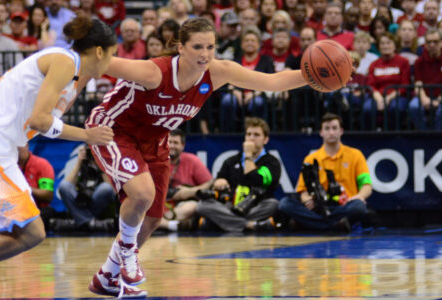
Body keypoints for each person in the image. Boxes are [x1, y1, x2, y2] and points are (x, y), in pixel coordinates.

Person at [84, 17, 308, 297]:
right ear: (180, 47)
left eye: (211, 47)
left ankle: (107, 276)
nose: (205, 54)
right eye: (198, 47)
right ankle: (128, 255)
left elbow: (271, 81)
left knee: (153, 217)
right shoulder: (154, 72)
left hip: (155, 140)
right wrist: (55, 86)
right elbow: (95, 62)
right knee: (141, 194)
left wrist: (312, 77)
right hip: (113, 129)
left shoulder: (216, 73)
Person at [0, 16, 116, 263]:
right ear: (98, 51)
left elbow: (40, 123)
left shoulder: (73, 74)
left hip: (6, 147)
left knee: (31, 233)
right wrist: (87, 135)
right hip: (0, 147)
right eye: (110, 55)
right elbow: (39, 121)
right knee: (32, 233)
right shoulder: (64, 61)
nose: (111, 63)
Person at [279, 113, 372, 232]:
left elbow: (367, 186)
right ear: (321, 132)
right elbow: (302, 191)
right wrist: (306, 199)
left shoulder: (355, 155)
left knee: (359, 207)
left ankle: (311, 224)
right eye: (327, 129)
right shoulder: (311, 158)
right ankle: (334, 225)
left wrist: (360, 196)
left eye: (334, 128)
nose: (331, 132)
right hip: (318, 208)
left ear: (341, 131)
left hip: (344, 206)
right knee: (285, 204)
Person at [196, 117, 281, 232]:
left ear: (265, 139)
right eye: (248, 134)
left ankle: (221, 223)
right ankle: (250, 225)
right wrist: (220, 182)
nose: (251, 138)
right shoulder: (231, 161)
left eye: (256, 135)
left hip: (256, 205)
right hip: (231, 206)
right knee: (202, 205)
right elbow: (220, 180)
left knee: (273, 204)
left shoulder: (272, 162)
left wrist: (248, 156)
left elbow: (255, 180)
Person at [158, 129, 213, 231]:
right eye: (169, 142)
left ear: (183, 146)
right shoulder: (155, 160)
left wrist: (190, 191)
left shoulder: (192, 160)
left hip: (181, 204)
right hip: (159, 202)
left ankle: (159, 222)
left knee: (193, 206)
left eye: (176, 143)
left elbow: (209, 183)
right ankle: (172, 225)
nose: (172, 146)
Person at [56, 145, 117, 232]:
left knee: (106, 188)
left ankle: (82, 221)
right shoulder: (80, 164)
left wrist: (101, 165)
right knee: (64, 186)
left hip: (98, 203)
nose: (92, 155)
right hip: (80, 200)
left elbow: (113, 191)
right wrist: (79, 163)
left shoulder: (107, 164)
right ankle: (89, 222)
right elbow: (66, 186)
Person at [409, 29, 442, 130]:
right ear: (425, 44)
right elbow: (418, 84)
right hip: (425, 96)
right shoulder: (419, 61)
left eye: (435, 41)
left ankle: (437, 136)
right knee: (414, 106)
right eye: (429, 42)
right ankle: (424, 135)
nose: (432, 45)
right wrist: (424, 99)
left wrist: (438, 100)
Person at [17, 144, 55, 228]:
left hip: (38, 209)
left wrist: (25, 188)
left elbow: (48, 195)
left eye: (19, 146)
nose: (17, 150)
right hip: (15, 209)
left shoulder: (42, 164)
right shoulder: (7, 166)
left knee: (46, 212)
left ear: (27, 145)